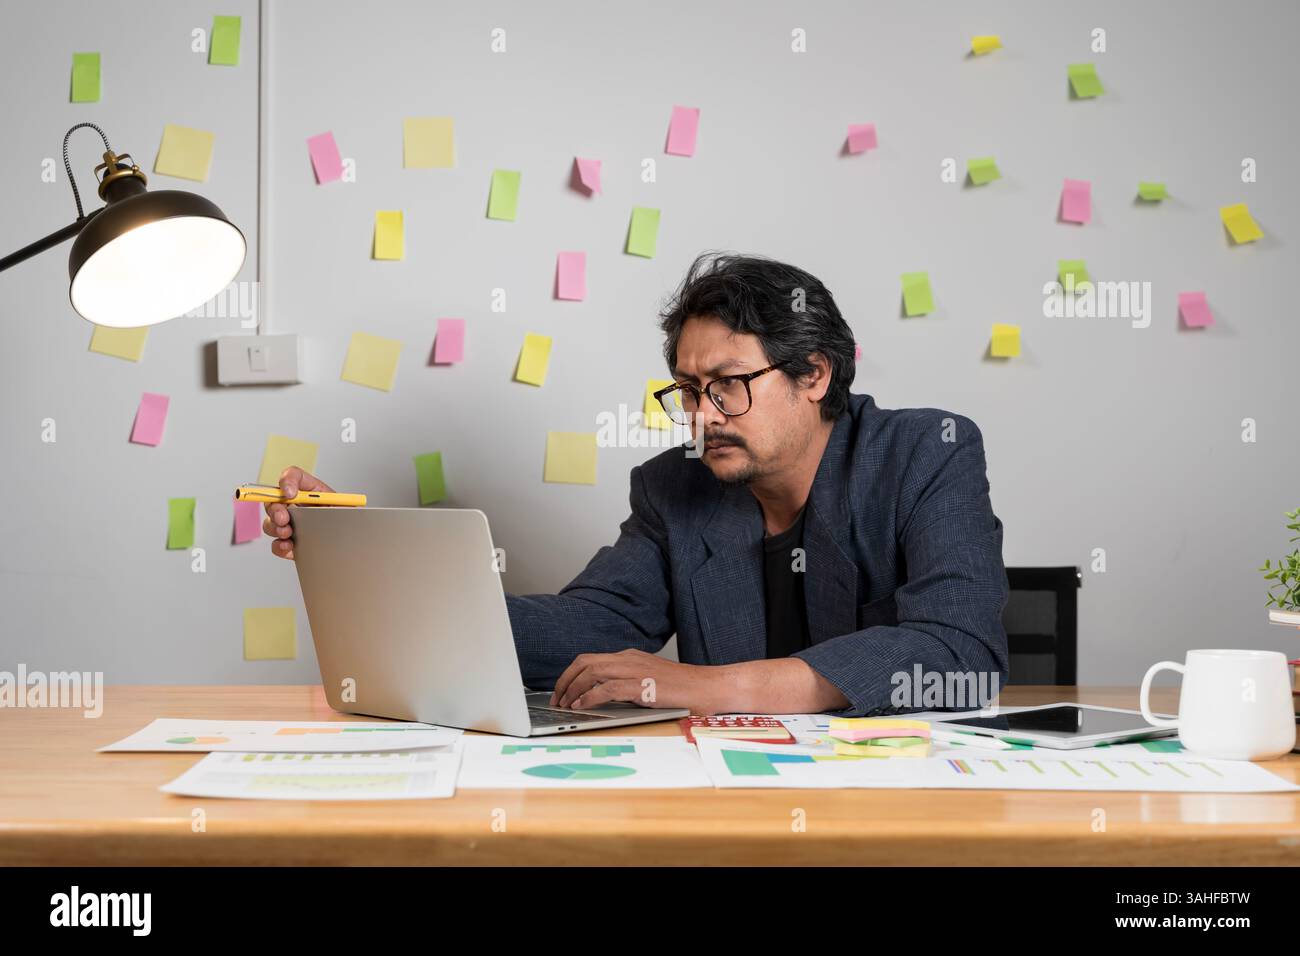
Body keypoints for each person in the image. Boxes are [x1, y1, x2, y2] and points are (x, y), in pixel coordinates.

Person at [265, 253, 1009, 717]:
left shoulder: (926, 453)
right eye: (688, 389)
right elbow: (590, 631)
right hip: (735, 807)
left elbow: (963, 656)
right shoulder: (673, 489)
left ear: (814, 373)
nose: (703, 416)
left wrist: (713, 687)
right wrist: (371, 565)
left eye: (728, 385)